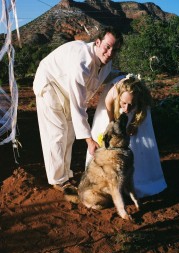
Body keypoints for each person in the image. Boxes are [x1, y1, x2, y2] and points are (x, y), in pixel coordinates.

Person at [33, 26, 123, 193]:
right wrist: (89, 140)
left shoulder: (106, 63)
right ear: (97, 42)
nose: (110, 53)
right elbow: (78, 105)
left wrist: (125, 77)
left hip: (66, 89)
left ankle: (65, 174)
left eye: (115, 49)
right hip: (50, 83)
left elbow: (106, 75)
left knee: (69, 135)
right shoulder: (81, 63)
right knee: (57, 133)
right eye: (107, 47)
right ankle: (58, 180)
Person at [86, 74, 167, 199]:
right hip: (114, 108)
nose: (127, 108)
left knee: (137, 139)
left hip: (138, 109)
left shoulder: (141, 97)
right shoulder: (113, 92)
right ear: (119, 97)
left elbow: (142, 110)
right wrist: (112, 122)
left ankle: (139, 183)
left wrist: (135, 124)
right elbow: (108, 103)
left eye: (131, 104)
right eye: (124, 103)